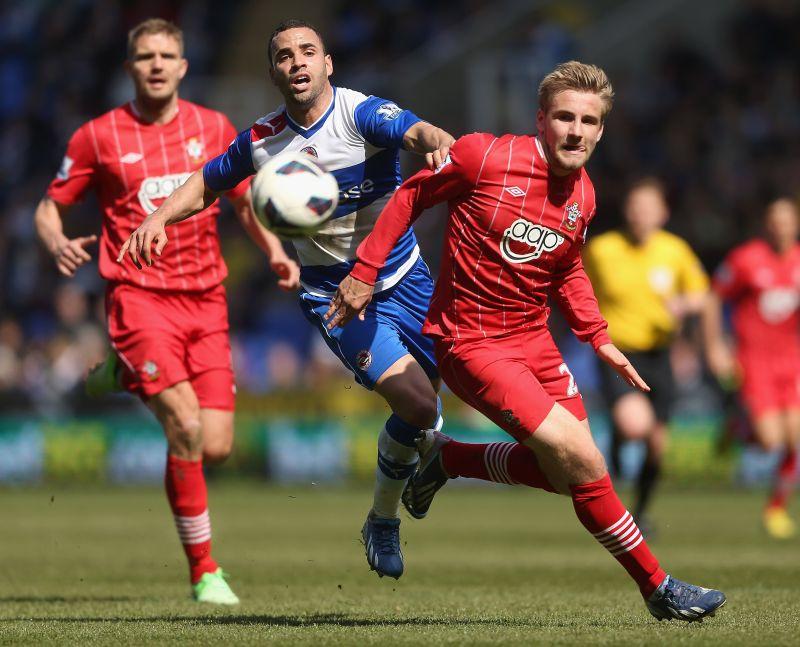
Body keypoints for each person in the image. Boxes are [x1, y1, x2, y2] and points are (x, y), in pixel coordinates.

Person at [327, 61, 726, 622]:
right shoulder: (482, 156)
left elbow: (566, 270)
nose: (575, 131)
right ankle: (659, 589)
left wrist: (599, 338)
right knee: (586, 459)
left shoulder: (583, 194)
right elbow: (409, 199)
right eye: (564, 117)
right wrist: (366, 271)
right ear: (541, 120)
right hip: (471, 343)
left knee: (570, 477)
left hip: (535, 343)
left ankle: (450, 459)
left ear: (601, 130)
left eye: (588, 121)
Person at [117, 19, 454, 580]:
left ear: (327, 64)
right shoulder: (262, 140)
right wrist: (158, 217)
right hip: (336, 296)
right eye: (283, 56)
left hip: (409, 279)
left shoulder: (360, 113)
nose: (296, 62)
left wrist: (437, 141)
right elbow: (206, 182)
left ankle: (404, 487)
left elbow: (418, 133)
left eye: (307, 52)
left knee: (428, 405)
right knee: (420, 405)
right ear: (273, 71)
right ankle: (385, 519)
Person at [35, 18, 300, 604]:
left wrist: (276, 250)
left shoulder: (214, 128)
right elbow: (49, 207)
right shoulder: (97, 137)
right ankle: (205, 570)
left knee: (215, 446)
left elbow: (244, 203)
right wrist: (54, 238)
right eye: (146, 56)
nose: (157, 64)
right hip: (138, 297)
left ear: (183, 66)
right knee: (182, 427)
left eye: (168, 54)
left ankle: (124, 372)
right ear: (131, 67)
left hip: (206, 300)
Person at [583, 177, 709, 535]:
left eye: (649, 208)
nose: (641, 215)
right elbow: (574, 287)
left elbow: (702, 294)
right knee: (635, 425)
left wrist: (684, 305)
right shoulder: (603, 249)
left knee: (657, 444)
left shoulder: (674, 251)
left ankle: (639, 511)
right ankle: (621, 439)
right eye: (635, 207)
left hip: (660, 353)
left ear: (663, 213)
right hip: (618, 352)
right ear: (627, 211)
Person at [703, 197, 800, 539]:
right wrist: (716, 345)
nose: (781, 227)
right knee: (771, 439)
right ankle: (740, 427)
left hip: (791, 359)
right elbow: (713, 297)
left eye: (787, 220)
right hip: (754, 360)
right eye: (775, 220)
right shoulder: (746, 259)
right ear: (766, 224)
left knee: (795, 437)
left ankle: (776, 507)